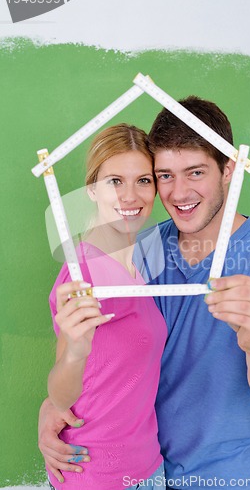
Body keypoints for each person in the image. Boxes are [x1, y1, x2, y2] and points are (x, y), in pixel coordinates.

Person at [39, 97, 250, 490]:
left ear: (228, 169)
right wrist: (53, 407)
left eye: (195, 172)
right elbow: (95, 358)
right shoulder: (139, 249)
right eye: (164, 175)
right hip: (152, 475)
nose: (179, 192)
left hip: (242, 478)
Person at [45, 123, 167, 489]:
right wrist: (74, 354)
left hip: (149, 467)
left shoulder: (145, 262)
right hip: (97, 475)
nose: (131, 196)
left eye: (143, 180)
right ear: (92, 189)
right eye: (115, 181)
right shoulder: (81, 276)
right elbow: (62, 395)